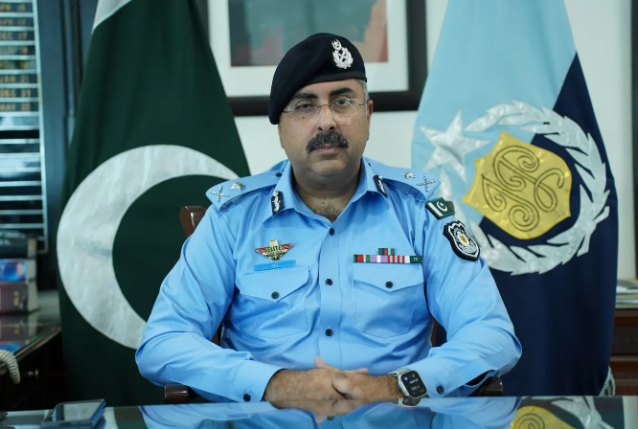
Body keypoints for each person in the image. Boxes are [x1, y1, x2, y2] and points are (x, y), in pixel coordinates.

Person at [136, 33, 521, 404]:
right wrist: (277, 385)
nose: (326, 122)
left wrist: (395, 386)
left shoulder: (420, 210)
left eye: (343, 101)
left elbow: (493, 335)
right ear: (281, 128)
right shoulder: (234, 218)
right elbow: (161, 344)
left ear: (368, 114)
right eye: (305, 106)